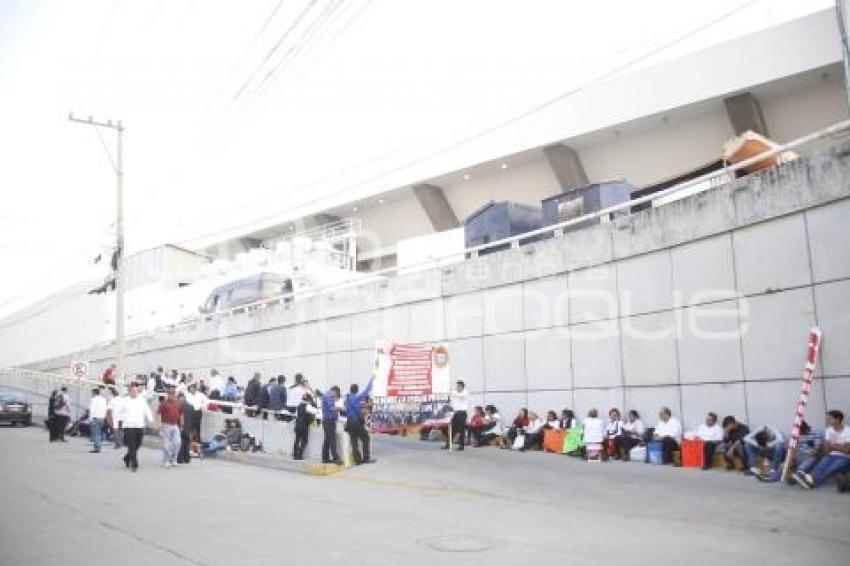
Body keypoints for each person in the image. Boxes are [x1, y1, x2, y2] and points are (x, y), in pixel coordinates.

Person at [793, 410, 850, 489]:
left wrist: (833, 446)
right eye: (827, 419)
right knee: (821, 465)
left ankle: (812, 483)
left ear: (838, 419)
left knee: (831, 468)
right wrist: (839, 446)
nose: (827, 421)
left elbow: (847, 450)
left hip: (845, 457)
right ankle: (808, 480)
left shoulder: (848, 430)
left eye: (830, 418)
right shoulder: (829, 430)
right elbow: (826, 449)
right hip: (831, 455)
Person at [120, 382, 153, 472]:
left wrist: (150, 420)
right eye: (132, 390)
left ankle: (127, 458)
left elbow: (147, 411)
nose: (134, 392)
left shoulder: (141, 400)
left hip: (139, 426)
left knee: (137, 444)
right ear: (129, 391)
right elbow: (119, 412)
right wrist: (118, 424)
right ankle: (134, 464)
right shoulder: (124, 401)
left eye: (135, 391)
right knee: (132, 445)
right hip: (128, 426)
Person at [345, 377, 375, 465]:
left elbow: (349, 409)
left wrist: (362, 407)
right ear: (357, 390)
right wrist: (372, 380)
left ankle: (357, 460)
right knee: (365, 437)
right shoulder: (357, 397)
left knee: (354, 440)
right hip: (355, 421)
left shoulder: (347, 399)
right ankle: (366, 458)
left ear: (350, 390)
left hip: (349, 422)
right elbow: (367, 390)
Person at [157, 386, 183, 468]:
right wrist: (159, 426)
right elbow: (158, 414)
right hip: (166, 425)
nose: (172, 395)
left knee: (177, 442)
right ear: (168, 394)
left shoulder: (178, 403)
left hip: (175, 425)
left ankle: (173, 459)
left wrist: (182, 424)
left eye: (173, 393)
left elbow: (181, 414)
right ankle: (166, 460)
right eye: (171, 394)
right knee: (166, 444)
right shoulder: (164, 404)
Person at [443, 380, 469, 451]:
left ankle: (461, 445)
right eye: (456, 386)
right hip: (455, 413)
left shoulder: (465, 392)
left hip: (462, 413)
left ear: (461, 386)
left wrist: (453, 392)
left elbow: (460, 395)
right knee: (452, 429)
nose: (456, 387)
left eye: (458, 386)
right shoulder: (455, 393)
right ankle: (448, 444)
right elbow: (452, 401)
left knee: (461, 430)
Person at [321, 386, 344, 464]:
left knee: (327, 440)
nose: (336, 396)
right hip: (328, 422)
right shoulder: (328, 396)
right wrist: (341, 408)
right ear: (334, 391)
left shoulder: (329, 396)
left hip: (329, 421)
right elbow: (332, 408)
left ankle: (325, 458)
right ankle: (335, 458)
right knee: (332, 440)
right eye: (336, 394)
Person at [293, 393, 318, 460]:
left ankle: (295, 455)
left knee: (297, 440)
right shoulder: (308, 406)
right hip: (304, 425)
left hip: (297, 424)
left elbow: (295, 416)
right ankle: (300, 455)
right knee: (304, 440)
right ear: (309, 400)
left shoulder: (299, 405)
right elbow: (316, 411)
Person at [88, 388, 107, 453]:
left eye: (92, 393)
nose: (92, 394)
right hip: (102, 418)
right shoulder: (103, 399)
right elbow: (105, 408)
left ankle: (97, 448)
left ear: (94, 393)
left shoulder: (93, 399)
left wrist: (90, 419)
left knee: (96, 433)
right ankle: (98, 447)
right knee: (99, 433)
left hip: (95, 418)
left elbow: (92, 409)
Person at [177, 392, 194, 464]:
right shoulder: (191, 406)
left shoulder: (179, 406)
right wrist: (192, 430)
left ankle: (180, 458)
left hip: (181, 427)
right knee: (187, 443)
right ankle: (187, 458)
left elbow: (178, 417)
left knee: (180, 443)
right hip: (188, 428)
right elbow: (193, 419)